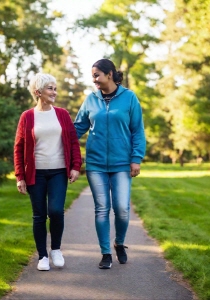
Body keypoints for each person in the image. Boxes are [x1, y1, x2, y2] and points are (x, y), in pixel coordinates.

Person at [74, 59, 146, 269]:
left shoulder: (129, 98)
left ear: (110, 74)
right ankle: (105, 253)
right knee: (102, 208)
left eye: (97, 75)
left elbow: (137, 130)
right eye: (93, 75)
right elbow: (78, 128)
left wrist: (136, 158)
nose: (94, 79)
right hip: (96, 163)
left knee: (122, 208)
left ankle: (119, 243)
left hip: (122, 163)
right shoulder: (91, 99)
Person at [14, 73, 82, 271]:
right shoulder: (27, 116)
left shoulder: (62, 114)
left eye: (55, 88)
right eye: (50, 88)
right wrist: (20, 176)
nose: (55, 92)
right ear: (38, 92)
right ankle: (42, 256)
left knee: (56, 211)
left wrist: (76, 166)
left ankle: (56, 250)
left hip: (58, 171)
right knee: (39, 215)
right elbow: (19, 147)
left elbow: (72, 141)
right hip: (36, 173)